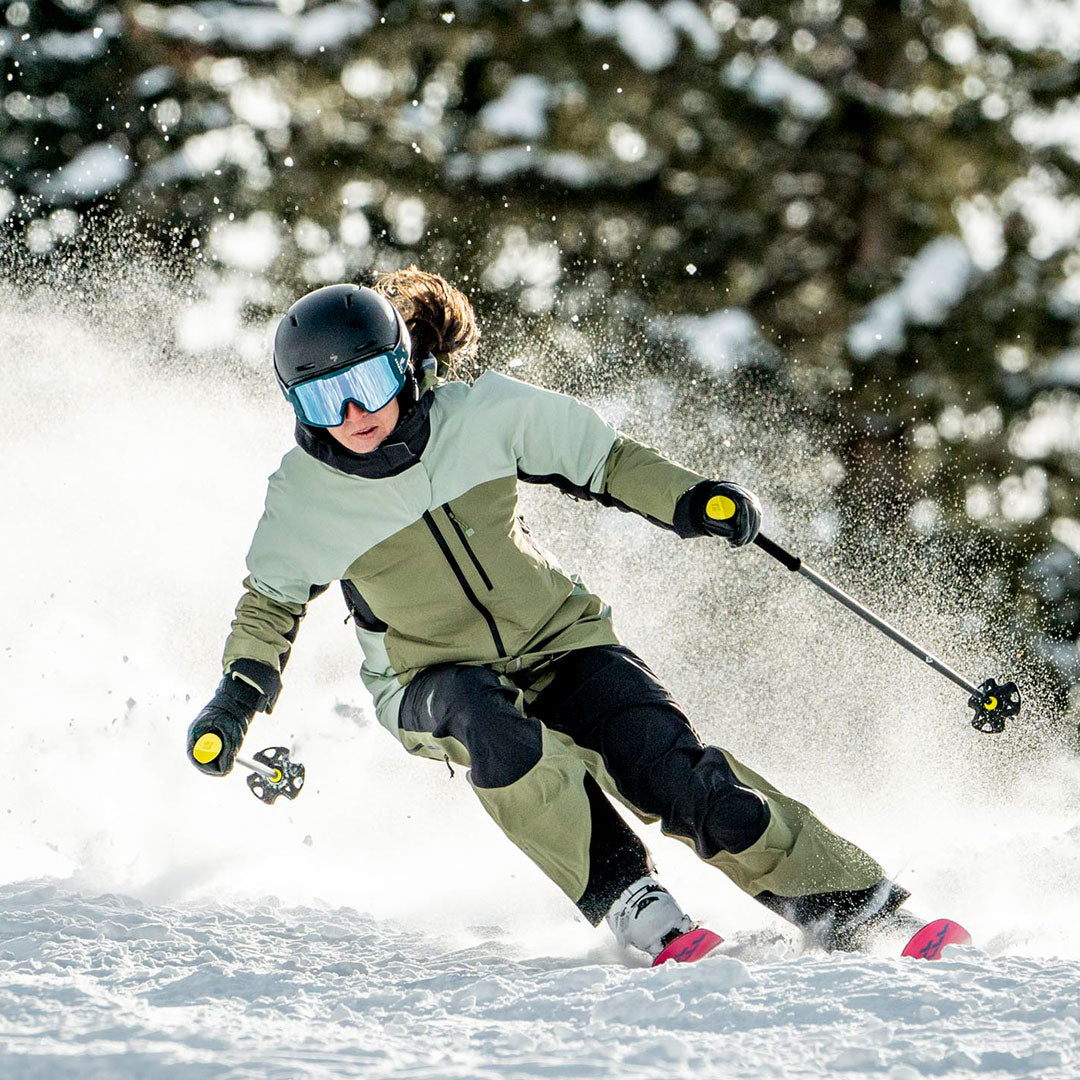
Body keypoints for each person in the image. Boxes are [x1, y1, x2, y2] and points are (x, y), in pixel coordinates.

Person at [186, 269, 939, 963]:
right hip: (427, 679)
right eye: (324, 399)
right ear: (299, 408)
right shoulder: (303, 498)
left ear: (405, 364)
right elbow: (270, 607)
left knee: (672, 770)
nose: (353, 414)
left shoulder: (485, 414)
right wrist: (234, 702)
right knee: (490, 724)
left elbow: (606, 461)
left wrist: (691, 499)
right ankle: (631, 900)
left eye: (368, 383)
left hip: (561, 638)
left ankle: (858, 908)